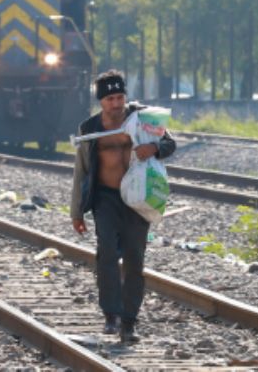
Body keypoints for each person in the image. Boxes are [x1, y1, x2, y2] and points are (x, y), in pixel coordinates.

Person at [70, 70, 175, 344]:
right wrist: (77, 210)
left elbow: (169, 143)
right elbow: (81, 171)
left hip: (137, 199)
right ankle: (110, 315)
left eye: (120, 97)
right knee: (106, 252)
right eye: (110, 99)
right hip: (105, 198)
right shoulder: (90, 128)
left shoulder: (142, 118)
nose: (116, 104)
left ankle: (129, 322)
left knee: (134, 259)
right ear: (101, 102)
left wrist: (154, 149)